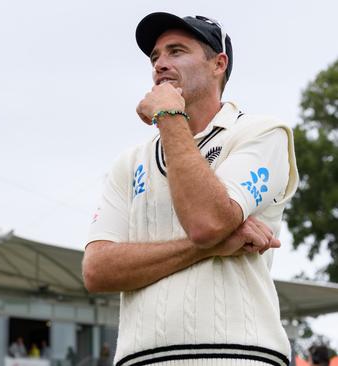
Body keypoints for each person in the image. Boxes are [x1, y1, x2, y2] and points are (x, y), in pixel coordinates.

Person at [82, 12, 298, 366]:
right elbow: (97, 270)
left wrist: (169, 115)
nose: (160, 65)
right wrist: (209, 248)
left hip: (239, 356)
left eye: (176, 51)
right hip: (141, 359)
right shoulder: (130, 161)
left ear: (218, 64)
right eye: (155, 57)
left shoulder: (262, 133)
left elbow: (206, 222)